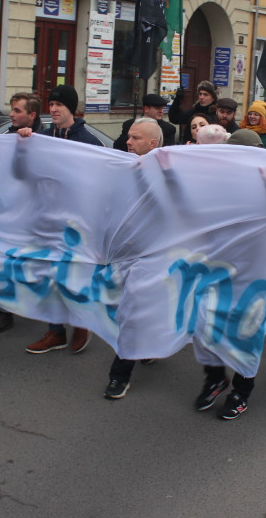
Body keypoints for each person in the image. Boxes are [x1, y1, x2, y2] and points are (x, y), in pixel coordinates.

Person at [18, 84, 100, 354]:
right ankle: (55, 331)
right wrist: (23, 142)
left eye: (59, 105)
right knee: (49, 276)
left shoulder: (89, 142)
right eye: (50, 105)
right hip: (47, 218)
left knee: (74, 275)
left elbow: (101, 184)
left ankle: (81, 322)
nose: (52, 109)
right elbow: (23, 170)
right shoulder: (41, 137)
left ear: (71, 109)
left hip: (78, 224)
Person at [0, 92, 43, 334]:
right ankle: (7, 310)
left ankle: (24, 307)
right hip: (8, 210)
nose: (11, 114)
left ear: (32, 116)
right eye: (11, 109)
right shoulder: (7, 135)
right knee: (7, 261)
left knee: (26, 262)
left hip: (32, 214)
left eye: (17, 110)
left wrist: (29, 142)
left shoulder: (43, 139)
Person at [103, 118, 162, 400]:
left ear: (153, 144)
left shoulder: (170, 172)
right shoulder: (120, 167)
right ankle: (149, 346)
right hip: (124, 253)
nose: (127, 142)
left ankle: (119, 375)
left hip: (154, 256)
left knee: (130, 311)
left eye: (135, 138)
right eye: (128, 137)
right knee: (134, 308)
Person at [168, 80, 217, 144]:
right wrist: (177, 99)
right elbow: (174, 118)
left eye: (205, 95)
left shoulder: (217, 114)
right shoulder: (193, 112)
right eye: (200, 94)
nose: (201, 97)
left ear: (213, 98)